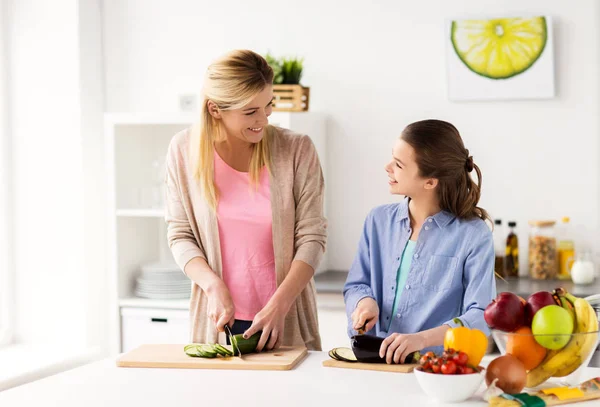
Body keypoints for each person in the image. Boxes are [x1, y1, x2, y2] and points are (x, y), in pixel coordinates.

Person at [165, 49, 327, 352]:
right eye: (250, 111)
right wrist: (212, 286)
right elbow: (180, 234)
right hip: (217, 322)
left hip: (284, 316)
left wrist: (279, 305)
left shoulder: (296, 150)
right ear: (215, 109)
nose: (263, 120)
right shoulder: (183, 151)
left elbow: (312, 238)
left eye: (269, 106)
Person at [343, 119, 496, 364]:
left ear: (430, 181)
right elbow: (357, 285)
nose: (387, 167)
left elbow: (480, 316)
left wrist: (421, 339)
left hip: (435, 369)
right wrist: (364, 303)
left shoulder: (473, 235)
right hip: (372, 362)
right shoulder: (378, 221)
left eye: (399, 164)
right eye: (392, 157)